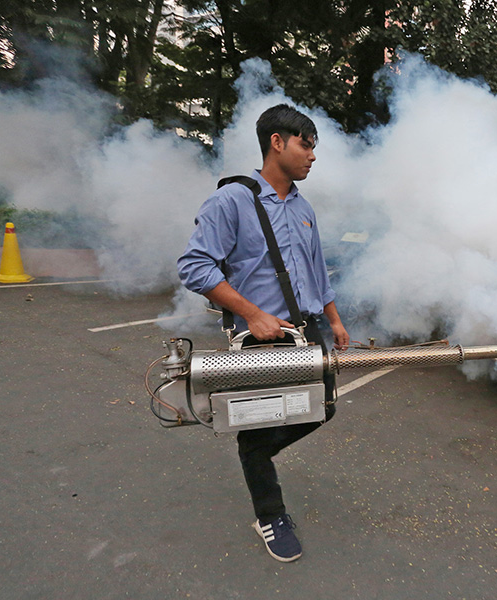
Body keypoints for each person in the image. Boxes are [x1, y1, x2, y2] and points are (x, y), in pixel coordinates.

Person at [177, 104, 350, 563]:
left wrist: (333, 319)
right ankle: (269, 513)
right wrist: (251, 313)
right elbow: (194, 267)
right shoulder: (230, 201)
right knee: (258, 432)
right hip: (260, 341)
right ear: (278, 142)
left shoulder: (304, 207)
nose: (313, 156)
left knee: (322, 408)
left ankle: (253, 443)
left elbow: (317, 272)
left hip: (309, 331)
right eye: (306, 145)